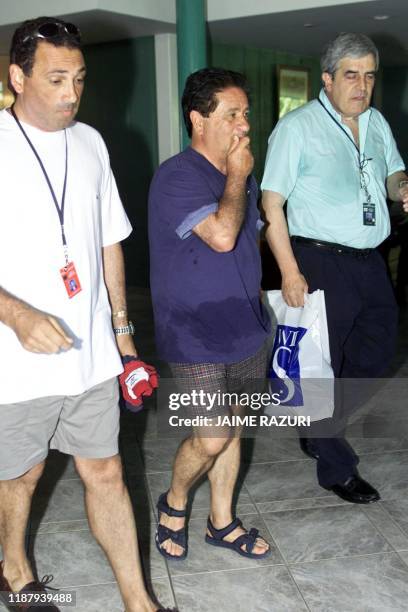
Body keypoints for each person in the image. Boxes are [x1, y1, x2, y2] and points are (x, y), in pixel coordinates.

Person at [0, 16, 171, 612]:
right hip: (16, 366)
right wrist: (16, 314)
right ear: (18, 76)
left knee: (106, 474)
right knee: (20, 478)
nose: (71, 92)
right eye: (55, 79)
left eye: (79, 78)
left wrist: (122, 336)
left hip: (92, 356)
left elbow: (107, 243)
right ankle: (16, 571)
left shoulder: (92, 142)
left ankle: (137, 600)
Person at [261, 32, 408, 504]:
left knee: (376, 354)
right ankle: (335, 467)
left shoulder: (377, 121)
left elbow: (390, 176)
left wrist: (405, 185)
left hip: (370, 260)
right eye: (351, 75)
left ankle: (315, 423)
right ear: (327, 79)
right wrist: (289, 272)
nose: (361, 86)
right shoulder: (297, 128)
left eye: (369, 76)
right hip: (319, 260)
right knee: (320, 368)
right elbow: (271, 203)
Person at [148, 68, 271, 560]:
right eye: (232, 115)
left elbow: (248, 237)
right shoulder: (177, 175)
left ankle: (221, 521)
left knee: (234, 425)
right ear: (198, 120)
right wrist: (238, 176)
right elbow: (221, 235)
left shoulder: (243, 174)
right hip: (192, 330)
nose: (244, 125)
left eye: (246, 114)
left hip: (245, 325)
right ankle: (174, 501)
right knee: (213, 431)